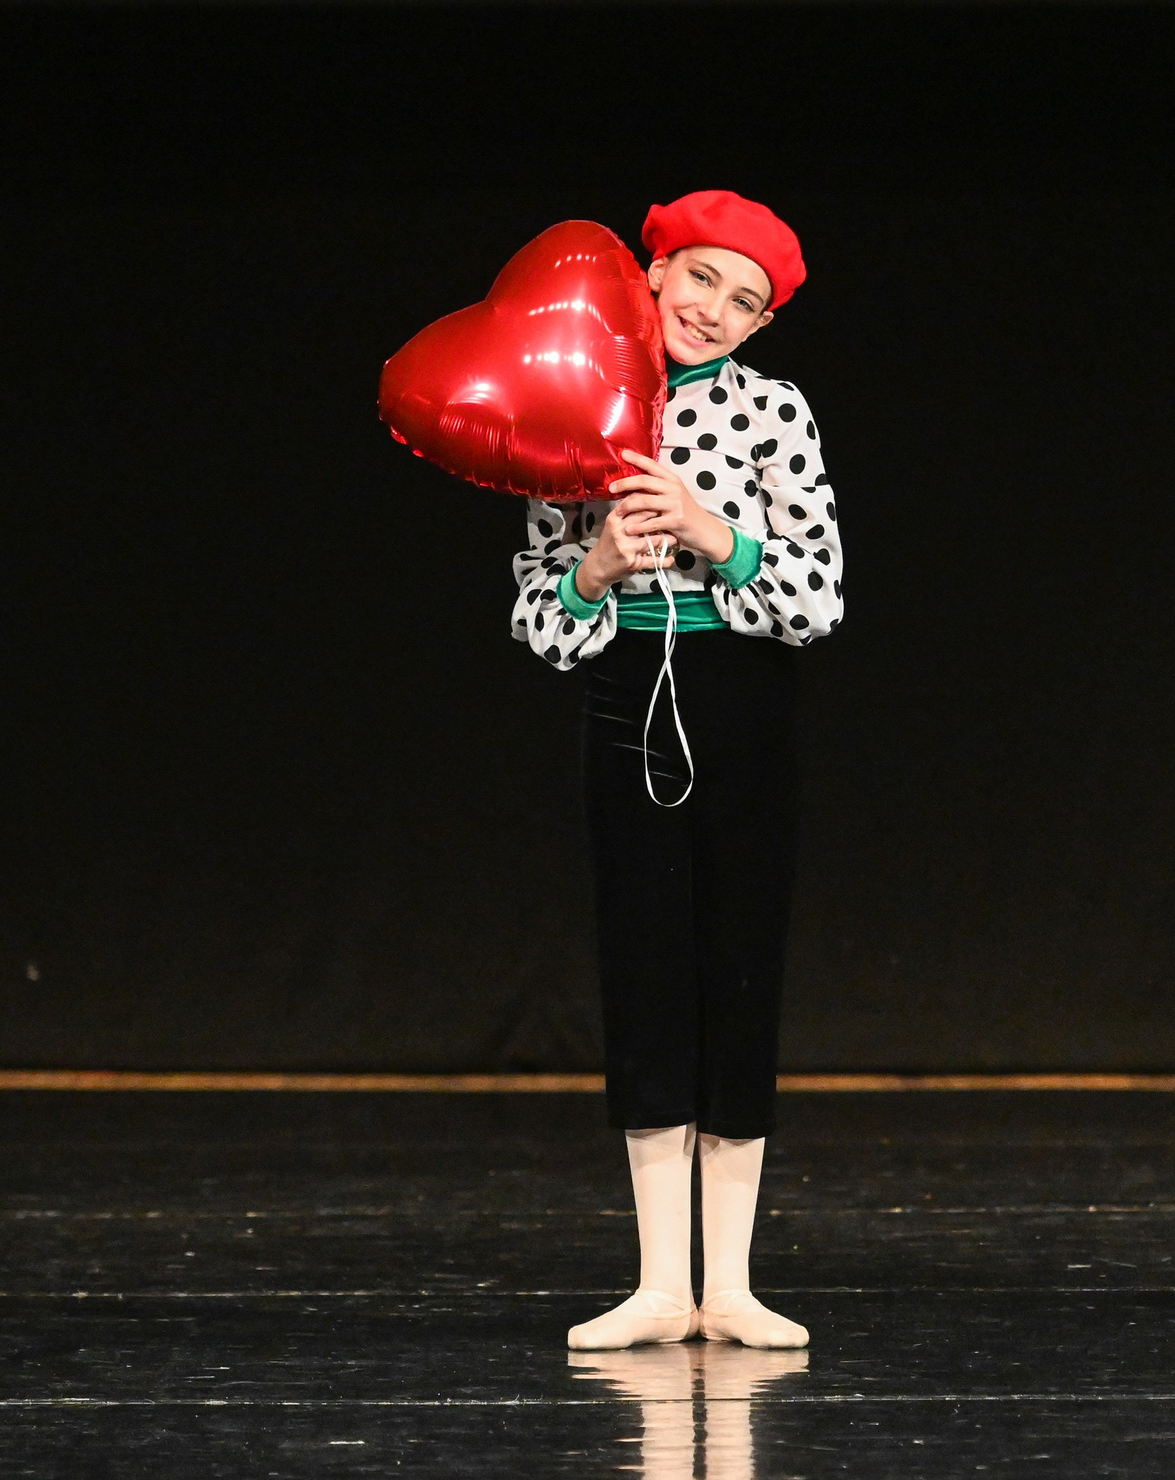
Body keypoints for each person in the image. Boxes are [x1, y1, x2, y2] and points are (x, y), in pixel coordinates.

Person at [509, 189, 842, 1352]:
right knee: (648, 975)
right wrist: (596, 563)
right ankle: (659, 1280)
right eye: (701, 279)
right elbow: (538, 620)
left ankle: (732, 1282)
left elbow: (818, 596)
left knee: (737, 971)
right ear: (652, 272)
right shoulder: (577, 410)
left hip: (742, 702)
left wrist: (717, 534)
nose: (715, 310)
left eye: (744, 301)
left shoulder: (772, 413)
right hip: (626, 705)